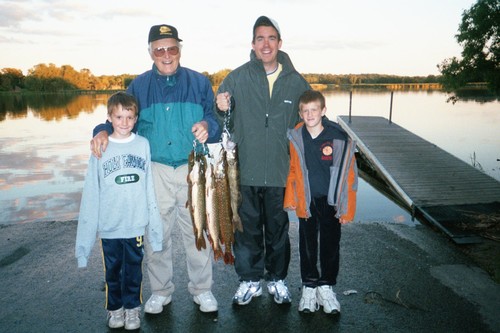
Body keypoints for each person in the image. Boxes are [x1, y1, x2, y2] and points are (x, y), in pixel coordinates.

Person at [90, 24, 221, 314]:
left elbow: (215, 121)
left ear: (180, 50)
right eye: (159, 49)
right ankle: (161, 291)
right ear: (150, 51)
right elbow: (116, 117)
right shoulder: (138, 86)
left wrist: (208, 126)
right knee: (156, 234)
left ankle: (202, 289)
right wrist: (100, 131)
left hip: (193, 168)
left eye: (171, 48)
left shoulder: (200, 83)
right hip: (155, 170)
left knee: (197, 230)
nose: (166, 54)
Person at [215, 16, 310, 306]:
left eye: (271, 38)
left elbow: (311, 118)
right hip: (244, 172)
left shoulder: (295, 81)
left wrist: (332, 140)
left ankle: (278, 280)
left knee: (278, 231)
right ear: (253, 44)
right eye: (260, 39)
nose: (265, 44)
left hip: (281, 173)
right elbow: (220, 114)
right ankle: (250, 280)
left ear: (279, 43)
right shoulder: (238, 77)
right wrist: (220, 107)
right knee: (247, 231)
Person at [75, 92, 163, 330]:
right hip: (109, 227)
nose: (124, 122)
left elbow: (148, 189)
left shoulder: (142, 144)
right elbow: (92, 193)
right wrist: (83, 244)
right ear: (109, 118)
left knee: (134, 271)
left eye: (129, 117)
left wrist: (154, 230)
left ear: (136, 119)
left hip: (135, 224)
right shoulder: (100, 147)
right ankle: (115, 309)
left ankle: (133, 309)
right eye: (119, 117)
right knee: (113, 272)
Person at [283, 90, 358, 314]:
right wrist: (291, 198)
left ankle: (326, 286)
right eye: (305, 111)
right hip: (307, 200)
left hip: (331, 202)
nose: (310, 114)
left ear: (323, 111)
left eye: (314, 110)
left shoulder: (337, 136)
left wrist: (347, 210)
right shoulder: (296, 136)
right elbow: (293, 170)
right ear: (300, 113)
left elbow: (349, 175)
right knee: (307, 245)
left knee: (330, 244)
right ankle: (309, 286)